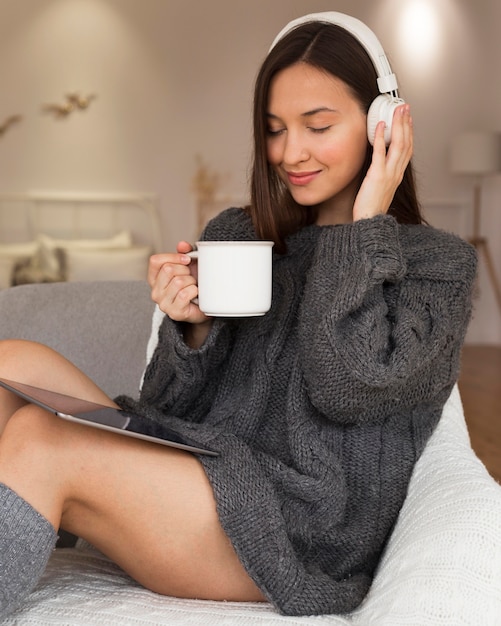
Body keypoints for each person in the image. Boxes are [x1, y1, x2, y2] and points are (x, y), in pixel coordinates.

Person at [0, 11, 477, 618]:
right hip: (204, 470)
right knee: (9, 361)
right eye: (274, 129)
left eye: (318, 125)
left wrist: (365, 228)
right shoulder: (239, 235)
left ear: (383, 125)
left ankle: (50, 484)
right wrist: (193, 331)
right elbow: (169, 414)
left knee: (42, 440)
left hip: (294, 530)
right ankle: (48, 510)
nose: (290, 152)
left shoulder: (438, 267)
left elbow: (349, 388)